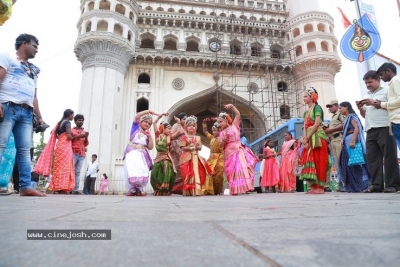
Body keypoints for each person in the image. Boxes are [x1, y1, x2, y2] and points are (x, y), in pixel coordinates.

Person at [0, 33, 46, 196]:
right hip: (8, 107)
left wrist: (39, 116)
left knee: (24, 150)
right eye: (35, 46)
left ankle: (25, 186)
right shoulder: (8, 58)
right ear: (24, 44)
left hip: (26, 112)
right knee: (1, 145)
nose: (36, 50)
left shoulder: (33, 70)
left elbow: (33, 96)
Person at [356, 70, 400, 193]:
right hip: (370, 129)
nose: (368, 85)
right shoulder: (368, 95)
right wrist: (360, 108)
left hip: (385, 126)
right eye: (366, 83)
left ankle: (393, 185)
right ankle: (376, 184)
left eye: (370, 82)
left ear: (378, 80)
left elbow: (391, 105)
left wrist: (376, 103)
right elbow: (365, 115)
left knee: (390, 157)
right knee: (372, 158)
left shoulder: (387, 91)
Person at [217, 104, 258, 195]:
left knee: (244, 167)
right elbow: (220, 145)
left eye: (220, 122)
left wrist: (232, 107)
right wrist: (224, 138)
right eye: (219, 123)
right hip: (230, 152)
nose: (219, 124)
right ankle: (234, 189)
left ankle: (246, 187)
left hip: (239, 149)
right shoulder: (222, 133)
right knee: (233, 170)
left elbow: (238, 114)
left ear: (226, 120)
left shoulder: (234, 126)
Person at [35, 109, 75, 194]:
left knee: (58, 167)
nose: (73, 117)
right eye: (72, 115)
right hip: (65, 147)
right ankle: (62, 187)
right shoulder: (68, 123)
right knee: (65, 167)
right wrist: (77, 137)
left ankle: (57, 187)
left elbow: (56, 135)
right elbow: (68, 136)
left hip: (60, 145)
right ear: (69, 115)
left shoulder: (59, 123)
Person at [299, 88, 330, 194]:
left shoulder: (317, 107)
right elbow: (304, 126)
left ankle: (320, 187)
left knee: (319, 160)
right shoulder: (306, 112)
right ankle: (314, 186)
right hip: (309, 137)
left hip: (318, 137)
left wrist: (307, 137)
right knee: (310, 161)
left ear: (312, 97)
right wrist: (305, 140)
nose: (303, 98)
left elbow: (317, 123)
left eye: (306, 96)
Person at [338, 102, 370, 192]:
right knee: (348, 164)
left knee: (357, 163)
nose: (339, 110)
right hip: (347, 142)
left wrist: (353, 141)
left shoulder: (352, 116)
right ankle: (353, 186)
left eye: (340, 108)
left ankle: (362, 185)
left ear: (346, 107)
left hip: (351, 143)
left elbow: (356, 128)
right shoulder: (348, 118)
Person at [124, 110, 156, 196]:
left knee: (142, 171)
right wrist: (148, 111)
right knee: (131, 170)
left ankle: (141, 190)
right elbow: (137, 115)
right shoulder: (135, 127)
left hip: (142, 154)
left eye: (149, 124)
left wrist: (149, 137)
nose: (147, 124)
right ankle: (132, 190)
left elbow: (150, 147)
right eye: (146, 122)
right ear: (140, 122)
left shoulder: (147, 134)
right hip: (132, 153)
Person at [179, 115, 211, 196]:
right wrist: (191, 147)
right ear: (186, 127)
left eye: (193, 125)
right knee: (187, 174)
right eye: (189, 126)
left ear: (196, 127)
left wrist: (196, 147)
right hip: (186, 158)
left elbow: (200, 148)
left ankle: (197, 190)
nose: (191, 127)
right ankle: (188, 191)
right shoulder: (184, 137)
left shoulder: (198, 137)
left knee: (199, 173)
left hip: (196, 158)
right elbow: (182, 148)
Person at [150, 113, 176, 196]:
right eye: (168, 128)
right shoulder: (158, 135)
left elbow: (178, 133)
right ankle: (157, 189)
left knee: (167, 173)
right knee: (155, 173)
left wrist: (179, 123)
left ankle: (165, 190)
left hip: (166, 157)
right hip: (158, 157)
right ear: (163, 128)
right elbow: (154, 123)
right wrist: (160, 116)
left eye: (170, 129)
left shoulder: (170, 137)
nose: (170, 130)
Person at [375, 62, 400, 150]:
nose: (381, 78)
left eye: (381, 74)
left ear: (388, 71)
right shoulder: (393, 83)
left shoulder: (396, 81)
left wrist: (382, 104)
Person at [323, 100, 346, 192]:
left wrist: (330, 130)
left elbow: (345, 125)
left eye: (331, 106)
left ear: (337, 106)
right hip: (332, 140)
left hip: (339, 138)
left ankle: (345, 184)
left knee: (341, 162)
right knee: (337, 164)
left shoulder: (340, 114)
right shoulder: (333, 117)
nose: (329, 108)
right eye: (328, 107)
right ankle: (341, 184)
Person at [203, 118, 224, 195]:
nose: (213, 132)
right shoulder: (212, 138)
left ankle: (219, 191)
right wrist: (204, 124)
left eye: (215, 130)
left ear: (219, 130)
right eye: (213, 130)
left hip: (220, 158)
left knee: (219, 175)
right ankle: (212, 190)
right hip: (211, 159)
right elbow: (205, 132)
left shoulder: (222, 138)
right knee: (209, 174)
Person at [71, 114, 89, 194]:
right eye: (79, 120)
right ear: (75, 121)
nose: (81, 121)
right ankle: (69, 188)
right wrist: (79, 136)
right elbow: (69, 140)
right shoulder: (72, 130)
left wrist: (86, 137)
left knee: (77, 172)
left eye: (82, 120)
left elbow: (85, 144)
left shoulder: (84, 131)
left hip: (81, 154)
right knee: (71, 170)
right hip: (73, 152)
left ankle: (75, 189)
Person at [170, 112, 187, 194]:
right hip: (176, 148)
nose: (186, 120)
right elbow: (171, 136)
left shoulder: (186, 127)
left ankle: (182, 187)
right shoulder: (176, 126)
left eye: (186, 119)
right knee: (177, 167)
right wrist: (178, 130)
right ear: (179, 119)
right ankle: (175, 188)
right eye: (184, 119)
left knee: (183, 167)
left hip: (183, 149)